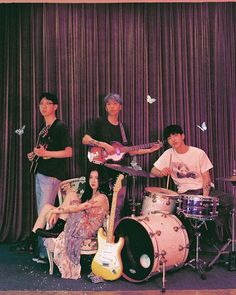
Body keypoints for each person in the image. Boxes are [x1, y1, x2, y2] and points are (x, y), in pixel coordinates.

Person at [82, 93, 162, 226]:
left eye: (115, 104)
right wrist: (104, 145)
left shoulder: (123, 128)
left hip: (119, 172)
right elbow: (85, 139)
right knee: (97, 205)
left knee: (117, 207)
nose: (112, 107)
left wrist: (150, 149)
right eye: (109, 104)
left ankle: (113, 236)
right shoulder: (99, 122)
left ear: (120, 107)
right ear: (106, 107)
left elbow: (130, 151)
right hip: (100, 170)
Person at [12, 92, 73, 262]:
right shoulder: (44, 128)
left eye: (47, 103)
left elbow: (69, 152)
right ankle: (41, 251)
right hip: (41, 173)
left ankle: (46, 254)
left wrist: (46, 153)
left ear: (55, 106)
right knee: (42, 213)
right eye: (41, 104)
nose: (43, 106)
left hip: (52, 175)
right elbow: (43, 150)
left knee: (46, 213)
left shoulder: (60, 126)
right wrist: (35, 154)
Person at [151, 124, 233, 243]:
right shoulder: (168, 154)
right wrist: (161, 172)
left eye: (175, 135)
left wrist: (205, 199)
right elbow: (153, 171)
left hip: (204, 190)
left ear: (182, 136)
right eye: (169, 138)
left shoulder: (198, 153)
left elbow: (206, 178)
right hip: (185, 193)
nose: (173, 139)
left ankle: (215, 225)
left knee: (230, 200)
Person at [43, 168, 110, 279]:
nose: (93, 181)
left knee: (73, 204)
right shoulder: (89, 195)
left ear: (101, 180)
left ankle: (58, 225)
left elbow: (80, 207)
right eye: (91, 177)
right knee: (69, 199)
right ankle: (56, 225)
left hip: (89, 229)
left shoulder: (102, 197)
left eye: (96, 178)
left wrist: (56, 210)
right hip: (83, 223)